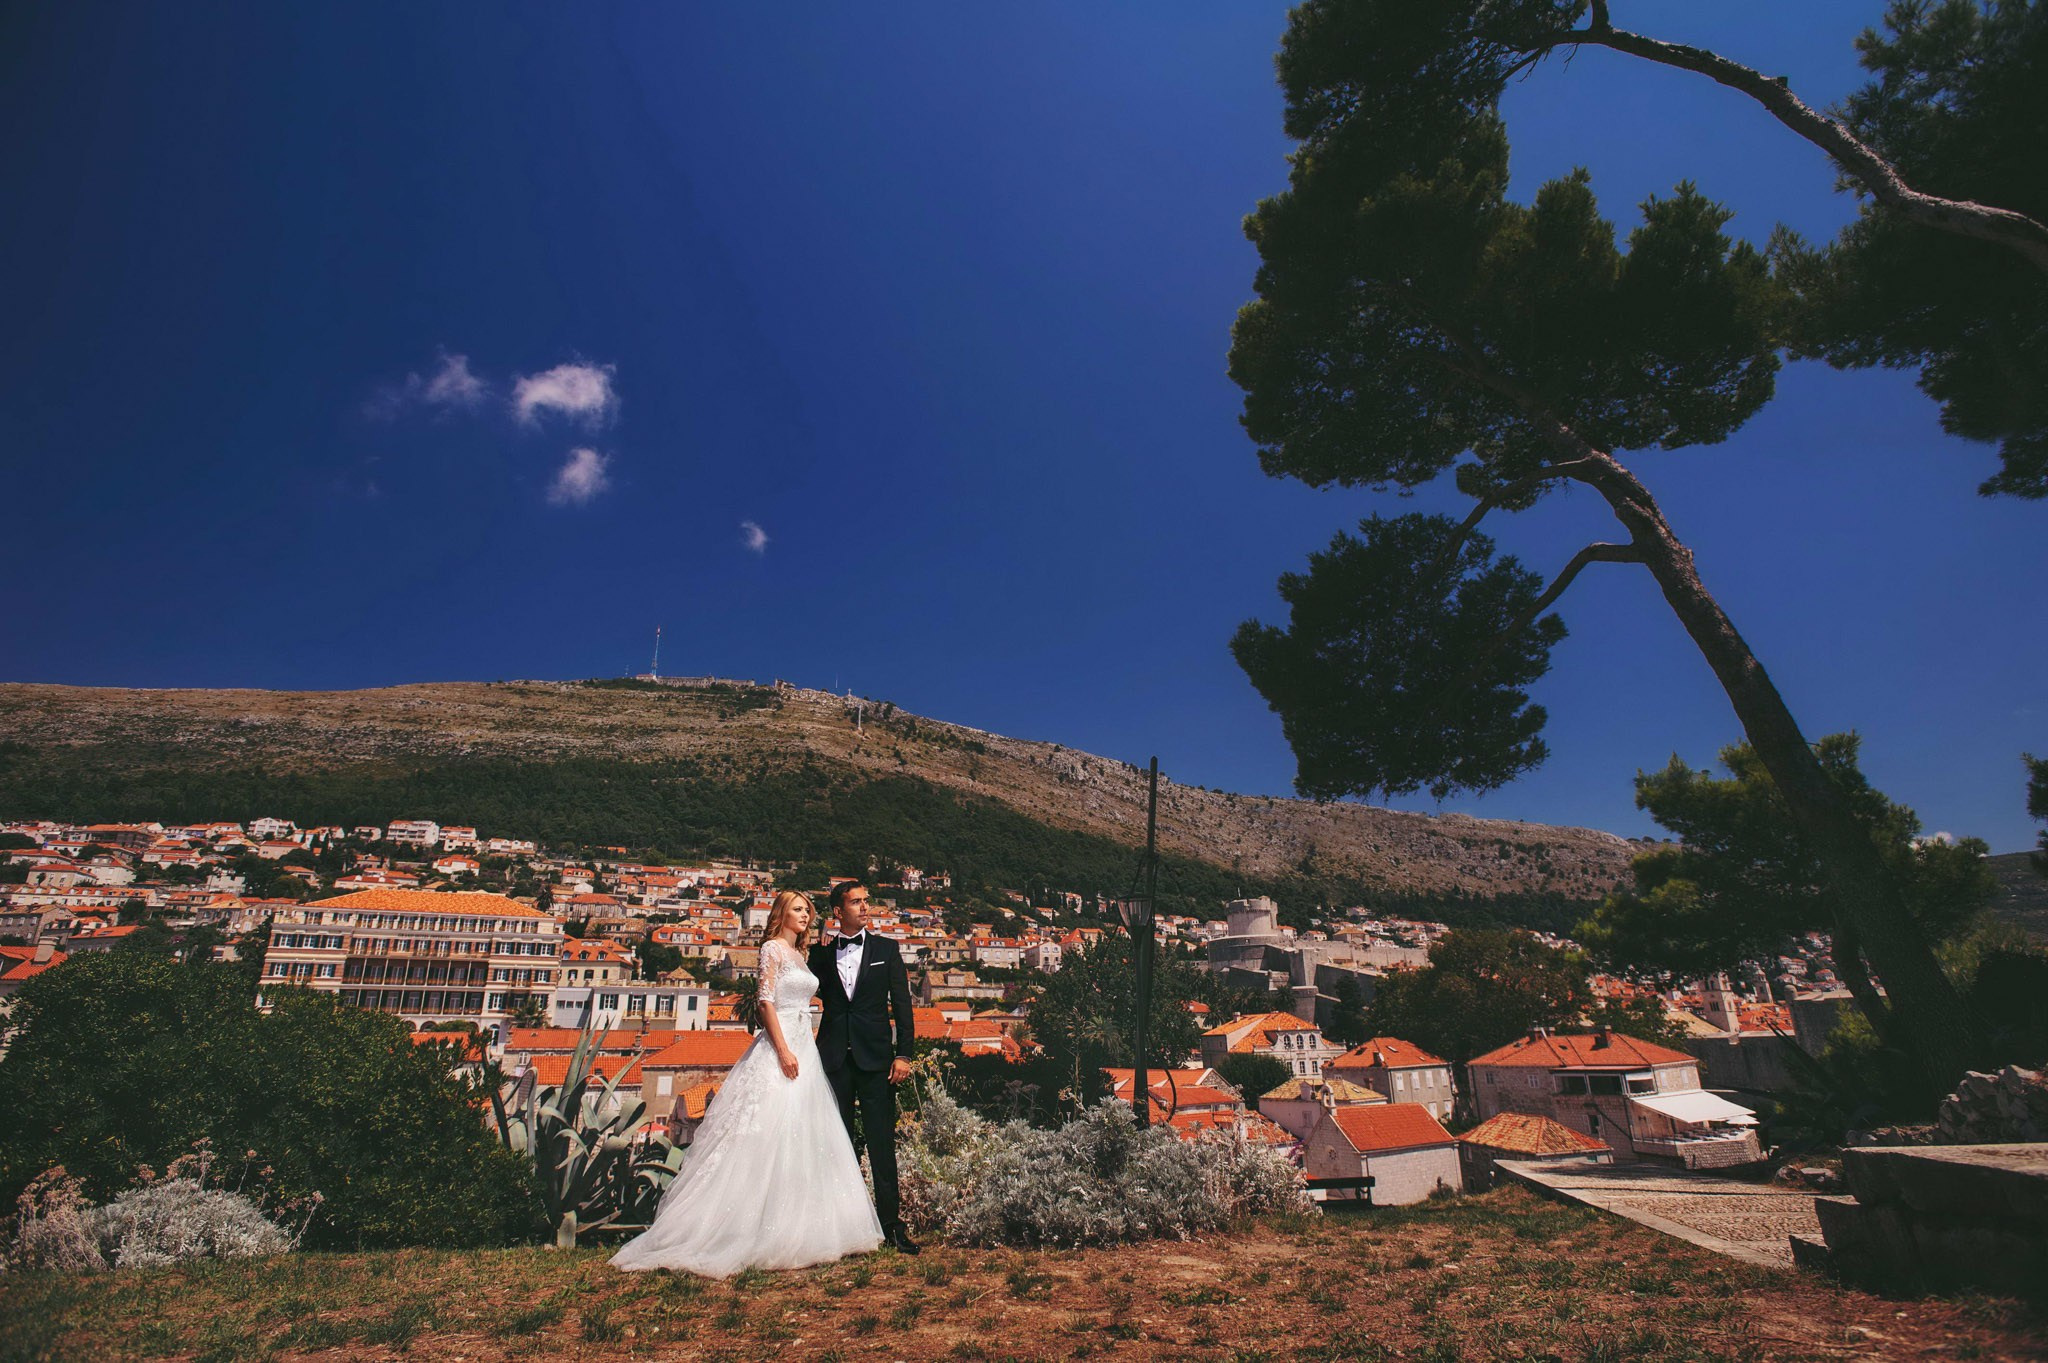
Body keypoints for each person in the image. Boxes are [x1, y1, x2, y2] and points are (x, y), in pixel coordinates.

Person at [610, 890, 882, 1277]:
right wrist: (784, 1050)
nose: (805, 915)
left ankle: (803, 1225)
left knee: (802, 1133)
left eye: (808, 910)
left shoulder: (801, 955)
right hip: (783, 1043)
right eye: (797, 909)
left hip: (805, 1042)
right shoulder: (771, 948)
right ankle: (738, 1229)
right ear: (781, 914)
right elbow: (765, 1002)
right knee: (765, 1129)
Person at [810, 878, 921, 1254]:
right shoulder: (820, 955)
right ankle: (839, 1227)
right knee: (837, 1144)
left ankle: (891, 1227)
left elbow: (902, 1006)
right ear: (838, 912)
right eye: (855, 902)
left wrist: (904, 1054)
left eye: (866, 901)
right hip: (834, 1060)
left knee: (881, 1145)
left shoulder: (887, 950)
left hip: (877, 1061)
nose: (864, 907)